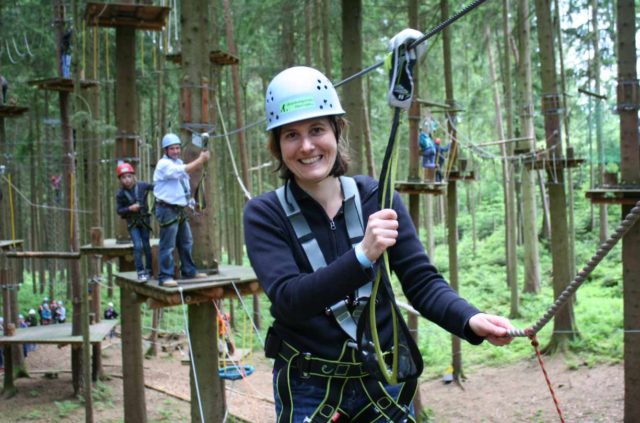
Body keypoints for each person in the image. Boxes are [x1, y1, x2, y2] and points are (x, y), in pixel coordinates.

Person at [243, 65, 514, 422]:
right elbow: (291, 300)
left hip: (381, 382)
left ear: (337, 131)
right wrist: (362, 255)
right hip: (310, 388)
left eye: (317, 130)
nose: (307, 146)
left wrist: (469, 318)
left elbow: (421, 281)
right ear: (278, 145)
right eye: (291, 135)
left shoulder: (377, 196)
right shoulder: (265, 214)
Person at [153, 133, 210, 287]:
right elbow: (183, 171)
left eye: (178, 148)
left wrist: (191, 203)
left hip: (178, 209)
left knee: (186, 241)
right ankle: (165, 276)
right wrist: (201, 159)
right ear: (166, 150)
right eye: (172, 149)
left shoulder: (178, 162)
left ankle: (189, 271)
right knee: (168, 244)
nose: (176, 151)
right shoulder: (164, 165)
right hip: (167, 209)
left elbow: (183, 187)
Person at [116, 162, 154, 282]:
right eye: (123, 177)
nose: (126, 180)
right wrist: (129, 208)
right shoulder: (120, 194)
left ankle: (149, 270)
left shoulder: (142, 185)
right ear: (120, 180)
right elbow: (119, 210)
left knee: (147, 246)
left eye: (128, 176)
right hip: (132, 223)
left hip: (144, 221)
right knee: (137, 247)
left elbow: (155, 187)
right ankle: (140, 272)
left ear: (133, 176)